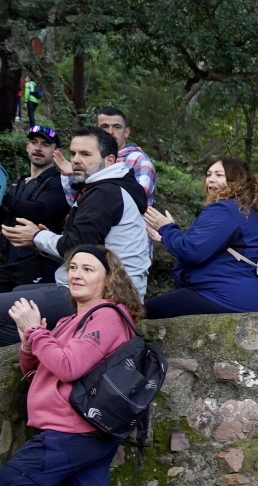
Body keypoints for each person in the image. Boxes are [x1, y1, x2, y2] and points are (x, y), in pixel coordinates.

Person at [0, 244, 143, 486]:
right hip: (84, 436)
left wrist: (34, 330)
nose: (77, 274)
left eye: (88, 268)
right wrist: (30, 338)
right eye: (72, 267)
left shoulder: (108, 316)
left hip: (72, 432)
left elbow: (68, 366)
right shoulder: (69, 321)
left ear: (108, 278)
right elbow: (34, 366)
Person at [0, 127, 149, 346]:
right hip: (92, 288)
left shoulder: (105, 193)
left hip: (107, 298)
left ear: (109, 160)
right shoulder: (103, 189)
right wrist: (38, 241)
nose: (77, 160)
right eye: (74, 153)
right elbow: (87, 249)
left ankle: (45, 354)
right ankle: (44, 351)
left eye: (86, 154)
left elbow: (77, 245)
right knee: (19, 292)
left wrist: (38, 236)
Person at [141, 157, 258, 319]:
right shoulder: (253, 210)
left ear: (236, 179)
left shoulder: (225, 209)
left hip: (230, 297)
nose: (211, 179)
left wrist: (167, 228)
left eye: (219, 175)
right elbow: (218, 248)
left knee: (141, 314)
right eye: (208, 174)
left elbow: (192, 251)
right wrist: (166, 237)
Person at [0, 125, 69, 291]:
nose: (38, 148)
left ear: (56, 152)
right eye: (34, 142)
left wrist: (3, 194)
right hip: (6, 262)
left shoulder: (59, 182)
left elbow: (40, 211)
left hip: (37, 263)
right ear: (27, 146)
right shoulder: (19, 182)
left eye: (45, 145)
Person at [57, 106, 157, 208]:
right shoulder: (90, 159)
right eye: (104, 126)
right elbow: (74, 202)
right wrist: (69, 175)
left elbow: (137, 201)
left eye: (117, 127)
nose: (110, 132)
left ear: (126, 132)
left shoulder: (139, 161)